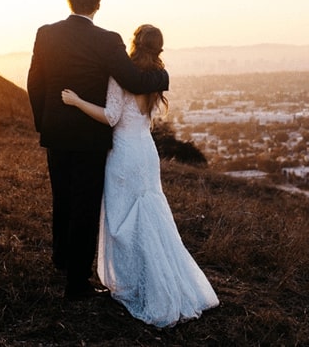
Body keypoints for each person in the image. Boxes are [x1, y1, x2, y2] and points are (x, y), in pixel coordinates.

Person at [61, 24, 219, 327]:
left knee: (124, 217)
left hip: (124, 153)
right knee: (150, 214)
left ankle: (136, 283)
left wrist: (77, 101)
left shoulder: (122, 76)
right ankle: (160, 277)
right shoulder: (154, 77)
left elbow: (110, 117)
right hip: (146, 152)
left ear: (133, 43)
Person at [27, 0, 170, 301]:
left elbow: (34, 83)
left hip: (57, 133)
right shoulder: (107, 40)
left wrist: (44, 123)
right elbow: (134, 79)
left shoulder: (45, 34)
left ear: (69, 0)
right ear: (98, 2)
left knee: (62, 198)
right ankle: (77, 283)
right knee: (85, 207)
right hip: (90, 138)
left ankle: (60, 259)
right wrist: (164, 76)